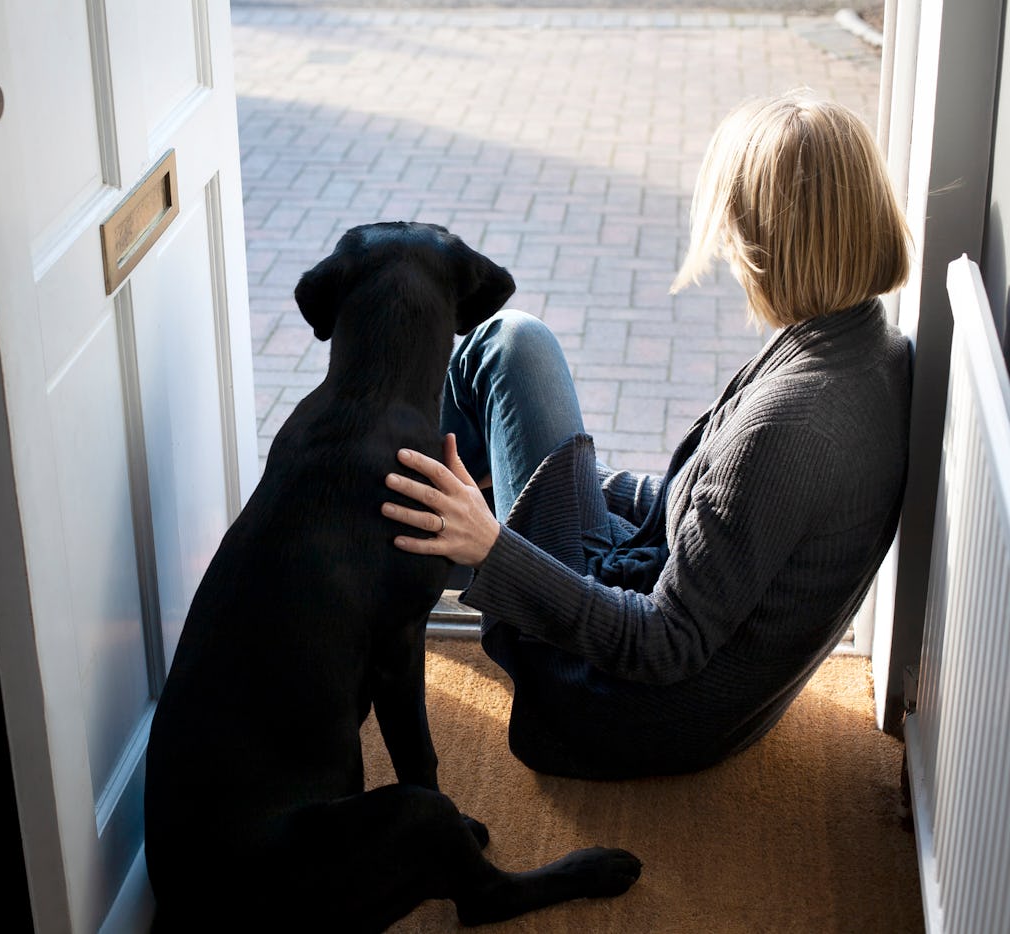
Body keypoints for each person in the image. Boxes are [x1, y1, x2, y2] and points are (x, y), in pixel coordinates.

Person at [379, 90, 914, 779]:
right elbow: (714, 518)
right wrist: (579, 482)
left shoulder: (792, 425)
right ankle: (408, 543)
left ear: (768, 242)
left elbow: (662, 644)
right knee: (511, 363)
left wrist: (493, 547)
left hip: (619, 703)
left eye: (734, 226)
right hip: (659, 612)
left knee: (510, 345)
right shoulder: (863, 347)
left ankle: (370, 561)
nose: (727, 246)